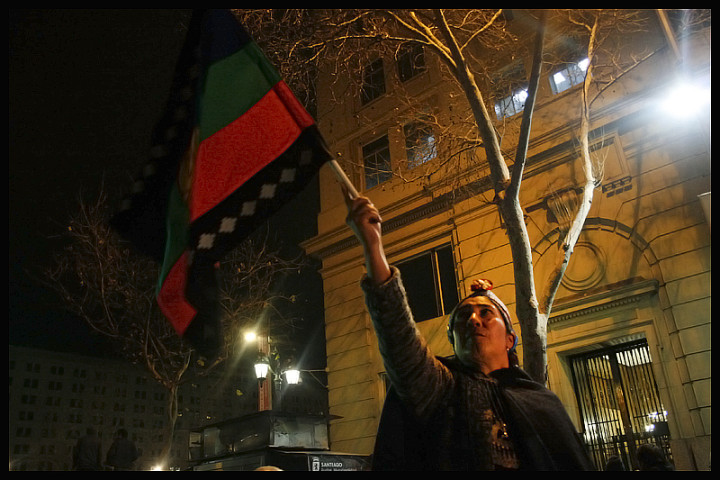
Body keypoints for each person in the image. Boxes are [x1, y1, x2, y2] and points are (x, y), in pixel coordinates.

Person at [343, 188, 595, 470]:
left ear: (510, 339)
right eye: (462, 318)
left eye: (486, 313)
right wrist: (373, 246)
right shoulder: (440, 388)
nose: (474, 320)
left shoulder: (543, 404)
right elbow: (398, 335)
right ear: (452, 339)